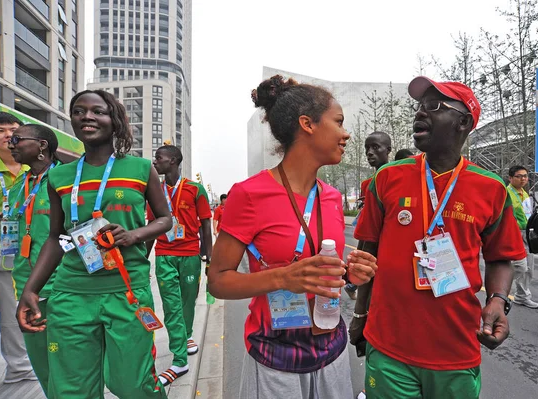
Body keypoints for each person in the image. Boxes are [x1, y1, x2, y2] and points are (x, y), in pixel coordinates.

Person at [355, 76, 526, 399]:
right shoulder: (387, 178)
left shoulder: (490, 189)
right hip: (388, 345)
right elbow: (368, 251)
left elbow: (500, 257)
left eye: (434, 106)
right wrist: (360, 315)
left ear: (463, 122)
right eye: (419, 107)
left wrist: (497, 301)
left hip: (455, 349)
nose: (420, 113)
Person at [208, 75, 377, 399]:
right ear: (307, 124)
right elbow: (217, 281)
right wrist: (283, 278)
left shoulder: (330, 197)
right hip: (276, 358)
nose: (346, 134)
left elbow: (319, 268)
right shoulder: (249, 194)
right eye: (338, 122)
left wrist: (349, 274)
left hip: (332, 350)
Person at [16, 90, 172, 398]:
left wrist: (134, 235)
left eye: (97, 111)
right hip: (71, 294)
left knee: (134, 385)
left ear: (113, 120)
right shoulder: (59, 175)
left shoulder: (141, 168)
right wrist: (30, 290)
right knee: (72, 389)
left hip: (127, 291)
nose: (87, 116)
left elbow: (165, 220)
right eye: (79, 111)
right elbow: (56, 238)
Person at [146, 144, 213, 386]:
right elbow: (151, 228)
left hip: (190, 255)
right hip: (164, 254)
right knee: (172, 306)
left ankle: (186, 335)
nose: (155, 162)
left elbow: (206, 225)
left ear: (173, 160)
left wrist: (209, 257)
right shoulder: (154, 192)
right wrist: (143, 259)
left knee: (188, 301)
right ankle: (179, 360)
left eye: (159, 158)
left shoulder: (196, 190)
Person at [7, 124, 59, 395]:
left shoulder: (64, 179)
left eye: (16, 139)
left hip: (60, 288)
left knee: (68, 364)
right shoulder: (20, 182)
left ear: (41, 145)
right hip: (25, 286)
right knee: (42, 365)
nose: (10, 144)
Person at [0, 112, 36, 384]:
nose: (9, 135)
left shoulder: (30, 170)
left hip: (10, 251)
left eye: (14, 130)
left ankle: (19, 368)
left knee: (12, 310)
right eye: (1, 130)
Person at [344, 131, 392, 301]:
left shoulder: (397, 179)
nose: (369, 152)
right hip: (369, 236)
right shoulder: (367, 184)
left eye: (375, 147)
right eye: (367, 148)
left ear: (388, 150)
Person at [507, 165, 538, 309]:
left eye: (525, 176)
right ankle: (519, 294)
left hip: (527, 232)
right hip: (514, 233)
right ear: (510, 178)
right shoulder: (506, 193)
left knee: (529, 267)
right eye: (519, 176)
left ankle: (521, 295)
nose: (523, 179)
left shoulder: (525, 194)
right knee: (521, 266)